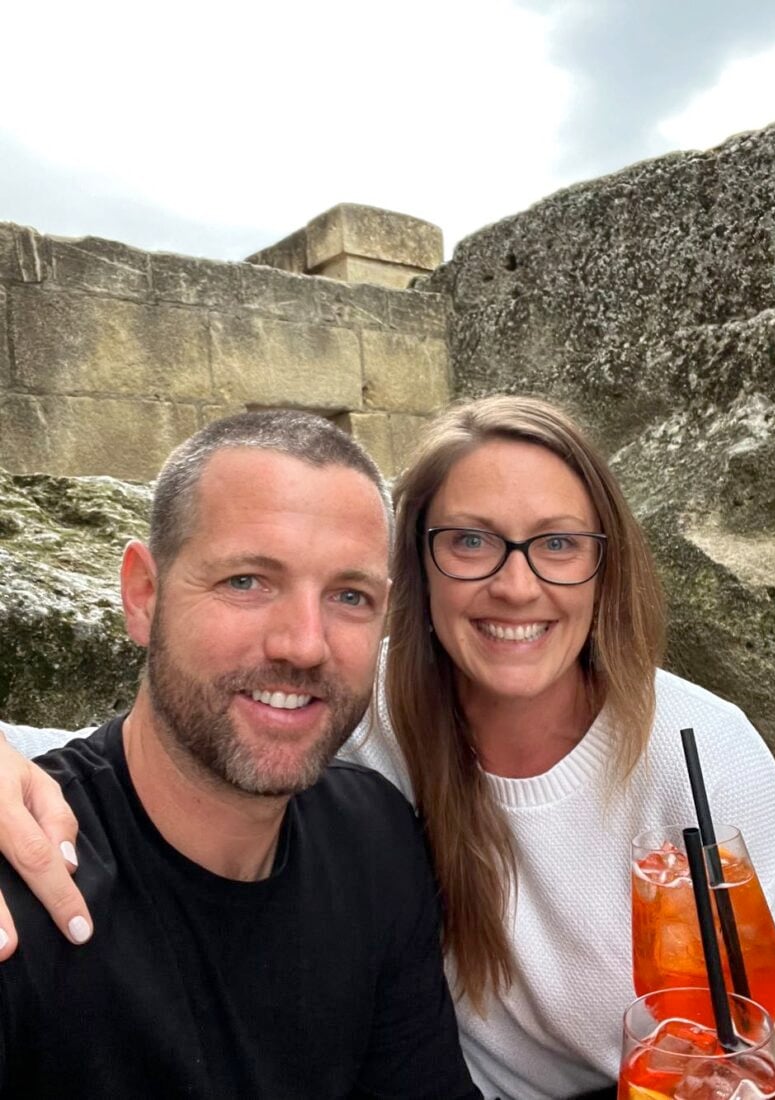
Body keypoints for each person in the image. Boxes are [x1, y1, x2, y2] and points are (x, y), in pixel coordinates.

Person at [0, 395, 775, 1099]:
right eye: (469, 541)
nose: (516, 583)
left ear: (606, 569)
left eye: (559, 543)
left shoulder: (699, 747)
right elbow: (145, 748)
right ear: (418, 573)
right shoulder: (371, 709)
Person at [0, 410, 479, 1099]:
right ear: (143, 595)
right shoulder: (26, 881)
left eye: (349, 595)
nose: (303, 644)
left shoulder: (376, 840)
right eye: (247, 581)